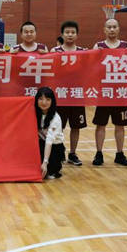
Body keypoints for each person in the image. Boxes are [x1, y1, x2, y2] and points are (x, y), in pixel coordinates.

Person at [92, 18, 127, 166]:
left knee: (120, 125)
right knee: (101, 124)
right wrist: (96, 56)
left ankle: (119, 154)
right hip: (105, 91)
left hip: (120, 92)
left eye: (114, 27)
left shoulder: (126, 46)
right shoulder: (99, 46)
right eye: (109, 27)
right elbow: (92, 67)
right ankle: (99, 153)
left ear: (118, 29)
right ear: (104, 29)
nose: (112, 29)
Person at [51, 20, 87, 166]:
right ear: (62, 34)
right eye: (67, 32)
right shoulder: (55, 51)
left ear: (77, 35)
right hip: (61, 95)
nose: (70, 35)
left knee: (76, 126)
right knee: (59, 125)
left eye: (73, 32)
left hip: (77, 94)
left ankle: (72, 153)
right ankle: (58, 152)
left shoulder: (83, 52)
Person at [35, 86, 65, 179]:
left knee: (48, 173)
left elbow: (49, 141)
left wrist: (45, 162)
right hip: (40, 143)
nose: (44, 102)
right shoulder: (34, 113)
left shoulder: (56, 118)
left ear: (52, 101)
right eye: (41, 99)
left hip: (54, 147)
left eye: (47, 99)